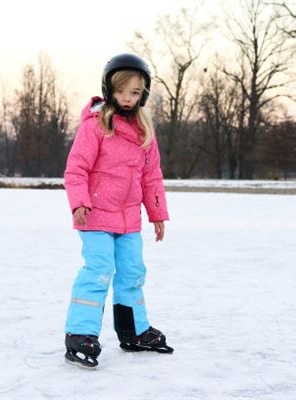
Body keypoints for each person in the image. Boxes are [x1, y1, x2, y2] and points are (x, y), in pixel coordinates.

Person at [63, 53, 173, 369]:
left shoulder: (144, 132)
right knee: (98, 270)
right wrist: (79, 202)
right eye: (122, 91)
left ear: (144, 94)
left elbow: (152, 177)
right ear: (109, 89)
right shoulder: (95, 125)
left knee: (132, 272)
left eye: (135, 92)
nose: (127, 98)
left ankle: (133, 331)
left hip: (128, 221)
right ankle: (80, 333)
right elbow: (76, 168)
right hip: (95, 215)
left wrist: (157, 214)